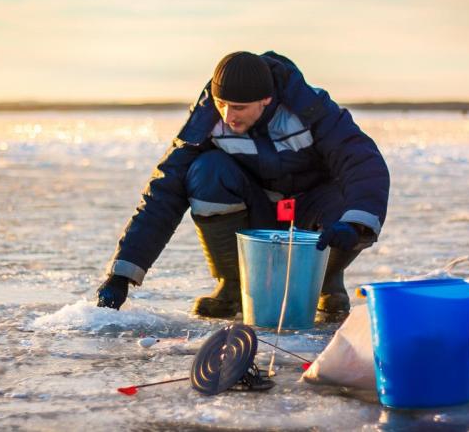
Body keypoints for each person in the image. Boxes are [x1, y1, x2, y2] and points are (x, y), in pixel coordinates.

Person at [96, 51, 390, 320]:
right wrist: (123, 272)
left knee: (352, 204)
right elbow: (163, 192)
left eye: (238, 107)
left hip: (311, 212)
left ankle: (325, 281)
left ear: (266, 99)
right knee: (206, 171)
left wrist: (354, 224)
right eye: (221, 104)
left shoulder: (311, 108)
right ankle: (234, 285)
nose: (227, 116)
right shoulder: (207, 119)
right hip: (256, 210)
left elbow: (363, 163)